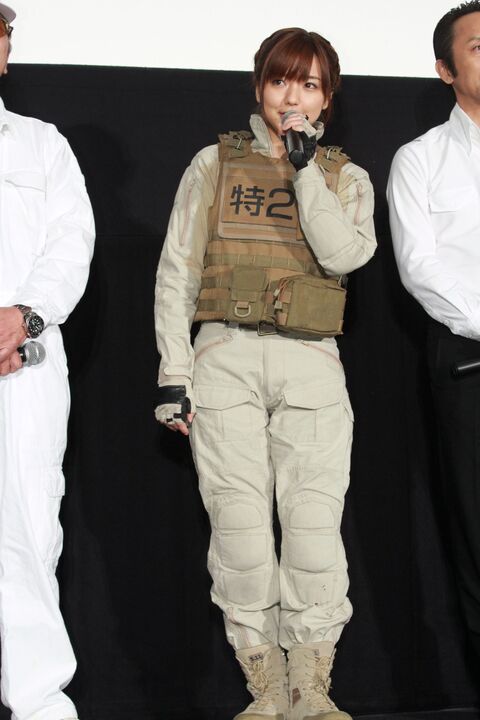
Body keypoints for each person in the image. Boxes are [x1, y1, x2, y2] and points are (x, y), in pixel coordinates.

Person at [155, 27, 376, 720]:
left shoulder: (345, 177)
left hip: (311, 364)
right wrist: (173, 374)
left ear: (327, 99)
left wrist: (305, 172)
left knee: (312, 531)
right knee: (240, 531)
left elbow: (343, 257)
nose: (293, 96)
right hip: (224, 358)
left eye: (309, 84)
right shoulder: (212, 164)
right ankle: (267, 693)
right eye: (281, 79)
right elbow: (176, 274)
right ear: (259, 86)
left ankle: (313, 692)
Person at [0, 4, 95, 720]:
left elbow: (71, 242)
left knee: (29, 531)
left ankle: (38, 706)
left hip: (23, 365)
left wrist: (23, 315)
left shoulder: (41, 145)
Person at [387, 0, 480, 676]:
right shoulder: (419, 159)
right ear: (445, 70)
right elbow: (420, 266)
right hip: (469, 356)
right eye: (478, 47)